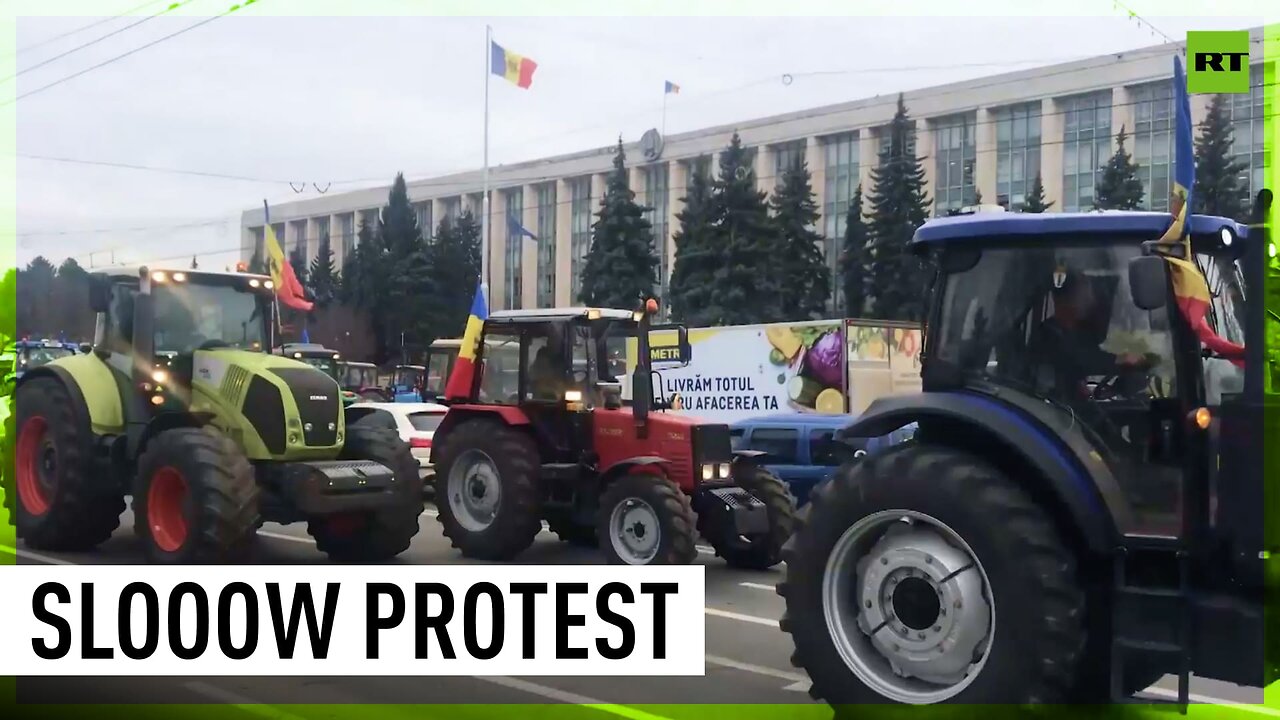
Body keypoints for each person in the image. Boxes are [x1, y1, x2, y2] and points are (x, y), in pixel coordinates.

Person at [1029, 269, 1146, 402]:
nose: (1091, 300)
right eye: (1084, 294)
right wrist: (1120, 359)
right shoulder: (1048, 334)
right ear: (1064, 298)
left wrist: (1113, 389)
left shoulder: (1079, 335)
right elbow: (1078, 359)